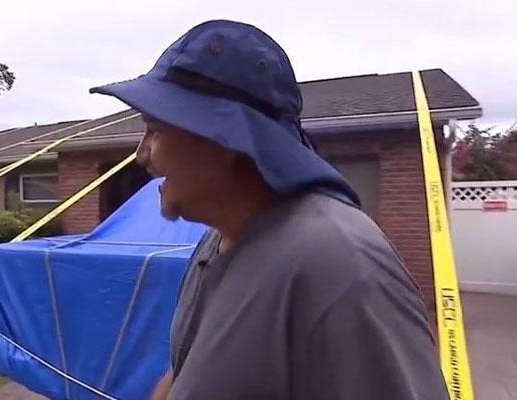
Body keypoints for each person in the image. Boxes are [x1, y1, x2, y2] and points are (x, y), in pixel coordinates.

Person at [90, 19, 449, 400]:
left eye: (156, 129)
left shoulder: (339, 265)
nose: (140, 154)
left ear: (226, 137)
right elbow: (186, 373)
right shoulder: (214, 245)